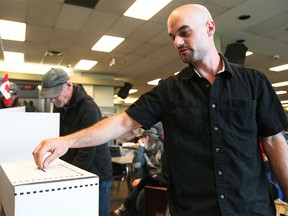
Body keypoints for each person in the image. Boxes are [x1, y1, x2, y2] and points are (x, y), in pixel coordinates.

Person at [33, 4, 288, 215]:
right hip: (193, 210)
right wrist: (67, 141)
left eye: (184, 32)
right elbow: (122, 122)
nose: (177, 42)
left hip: (250, 208)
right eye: (173, 37)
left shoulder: (254, 82)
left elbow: (275, 142)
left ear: (210, 28)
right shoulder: (169, 90)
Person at [38, 68, 113, 216]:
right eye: (49, 97)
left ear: (69, 85)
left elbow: (86, 153)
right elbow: (62, 141)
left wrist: (67, 180)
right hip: (76, 170)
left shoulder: (88, 108)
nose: (52, 100)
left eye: (55, 95)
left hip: (96, 173)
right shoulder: (61, 106)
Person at [112, 127, 165, 216]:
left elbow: (164, 172)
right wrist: (140, 148)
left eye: (142, 138)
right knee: (137, 176)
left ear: (147, 138)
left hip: (158, 177)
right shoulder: (144, 148)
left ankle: (125, 208)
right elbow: (137, 165)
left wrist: (143, 180)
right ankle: (127, 210)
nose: (140, 140)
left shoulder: (162, 150)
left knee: (141, 190)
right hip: (148, 175)